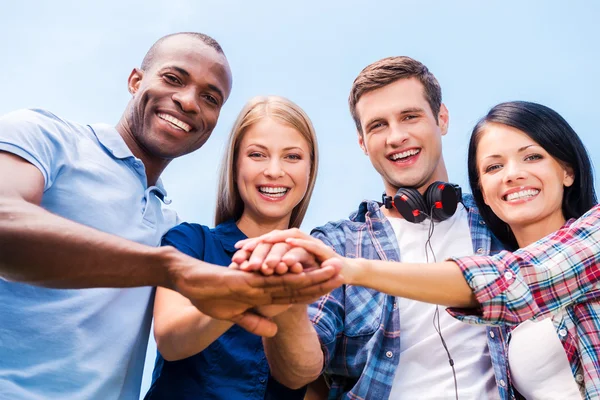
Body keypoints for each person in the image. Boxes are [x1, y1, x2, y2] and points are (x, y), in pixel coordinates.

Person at [0, 33, 340, 400]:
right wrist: (176, 269)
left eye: (210, 98)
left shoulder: (166, 223)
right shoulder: (46, 136)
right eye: (173, 78)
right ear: (135, 81)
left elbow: (304, 378)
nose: (188, 101)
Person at [265, 101, 600, 399]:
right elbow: (305, 375)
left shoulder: (591, 234)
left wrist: (353, 269)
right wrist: (283, 295)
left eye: (532, 156)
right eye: (494, 167)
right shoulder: (339, 240)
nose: (513, 175)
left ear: (567, 170)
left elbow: (510, 281)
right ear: (482, 189)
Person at [233, 56, 509, 399]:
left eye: (410, 116)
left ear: (442, 118)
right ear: (363, 143)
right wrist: (287, 309)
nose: (396, 136)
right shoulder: (334, 244)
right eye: (378, 125)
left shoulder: (502, 220)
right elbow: (297, 374)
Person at [144, 95, 319, 399]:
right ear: (236, 163)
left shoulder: (321, 265)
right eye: (257, 155)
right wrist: (243, 292)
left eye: (292, 157)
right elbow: (170, 342)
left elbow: (305, 375)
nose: (274, 171)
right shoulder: (188, 243)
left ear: (309, 169)